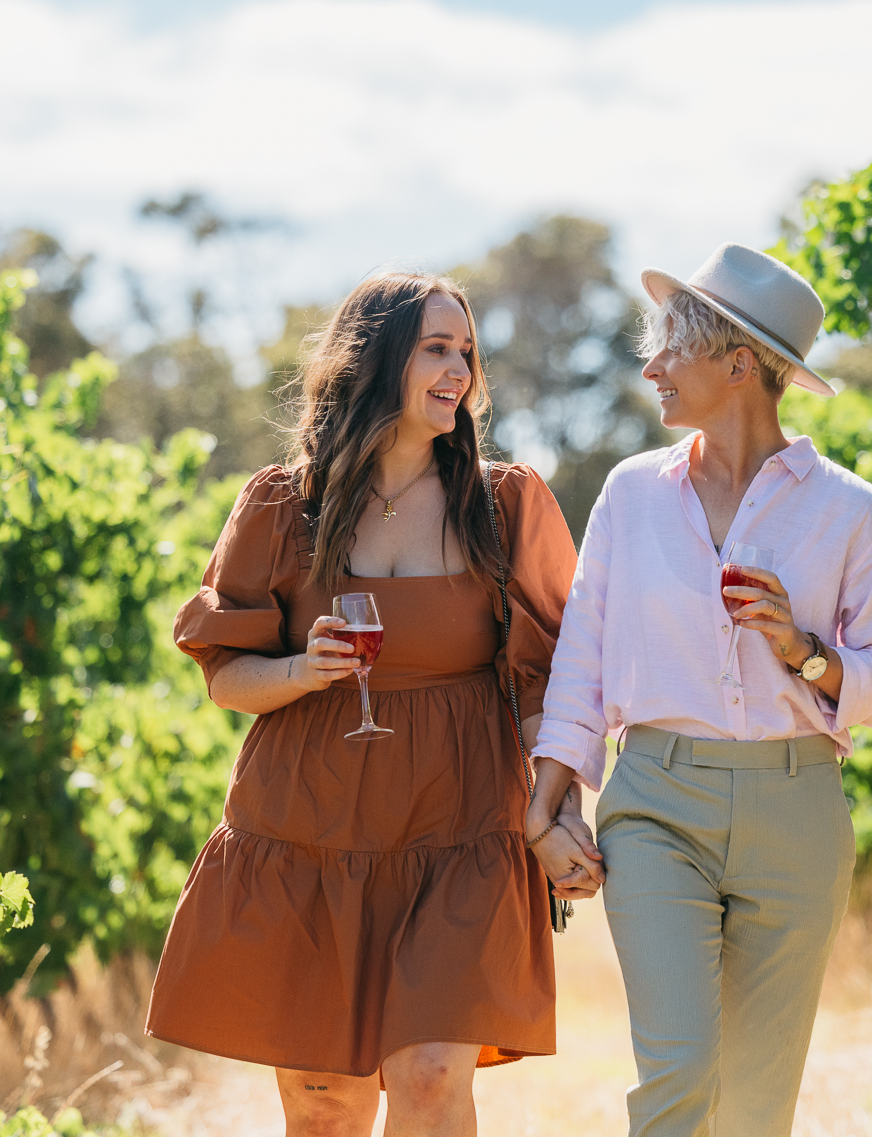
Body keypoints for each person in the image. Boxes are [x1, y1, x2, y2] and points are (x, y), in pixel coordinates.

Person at [146, 272, 588, 1137]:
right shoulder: (282, 503)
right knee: (323, 1103)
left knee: (428, 1079)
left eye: (466, 352)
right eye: (435, 348)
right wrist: (301, 672)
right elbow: (227, 676)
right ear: (376, 357)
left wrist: (552, 811)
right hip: (309, 831)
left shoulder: (504, 505)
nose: (458, 369)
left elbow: (550, 679)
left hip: (458, 830)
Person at [525, 243, 872, 1137]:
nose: (651, 365)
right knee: (680, 1077)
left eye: (674, 347)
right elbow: (582, 659)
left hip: (799, 811)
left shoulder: (848, 510)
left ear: (740, 363)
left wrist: (805, 650)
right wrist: (544, 809)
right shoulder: (632, 496)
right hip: (658, 803)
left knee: (755, 1106)